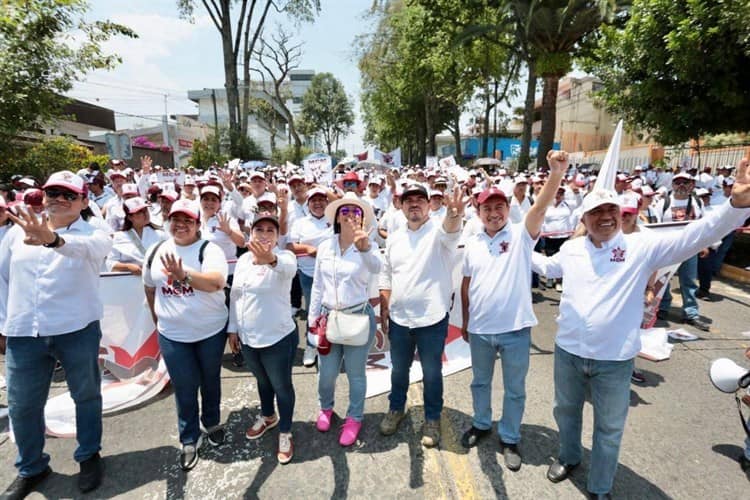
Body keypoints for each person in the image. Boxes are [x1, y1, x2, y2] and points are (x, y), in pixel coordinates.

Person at [531, 158, 750, 499]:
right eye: (596, 212)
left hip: (614, 361)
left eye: (611, 211)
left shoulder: (641, 248)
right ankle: (569, 457)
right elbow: (545, 266)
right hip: (568, 354)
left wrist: (737, 205)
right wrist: (516, 248)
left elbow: (698, 235)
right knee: (566, 411)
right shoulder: (572, 249)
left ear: (621, 215)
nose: (605, 217)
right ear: (584, 219)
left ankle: (600, 487)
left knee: (609, 428)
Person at [0, 171, 112, 498]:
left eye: (69, 194)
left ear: (84, 201)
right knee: (22, 405)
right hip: (25, 332)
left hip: (76, 329)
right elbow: (3, 279)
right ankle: (32, 466)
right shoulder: (18, 231)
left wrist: (53, 240)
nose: (60, 199)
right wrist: (4, 324)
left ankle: (89, 454)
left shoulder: (95, 231)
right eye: (53, 193)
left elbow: (89, 249)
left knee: (86, 395)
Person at [459, 151, 567, 471]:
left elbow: (540, 207)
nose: (493, 213)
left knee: (514, 389)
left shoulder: (521, 235)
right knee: (480, 383)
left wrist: (556, 174)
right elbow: (466, 285)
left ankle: (509, 436)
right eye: (487, 208)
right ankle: (481, 424)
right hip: (479, 329)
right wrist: (465, 322)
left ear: (508, 209)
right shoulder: (473, 241)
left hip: (516, 330)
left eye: (498, 207)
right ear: (478, 212)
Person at [142, 199, 229, 471]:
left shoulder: (209, 249)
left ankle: (212, 421)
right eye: (176, 220)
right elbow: (149, 288)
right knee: (185, 387)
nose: (181, 225)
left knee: (210, 380)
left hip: (210, 332)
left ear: (197, 224)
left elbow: (216, 283)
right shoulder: (155, 250)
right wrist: (159, 323)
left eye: (187, 221)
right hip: (173, 335)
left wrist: (184, 275)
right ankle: (189, 437)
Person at [378, 184, 464, 447]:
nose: (414, 204)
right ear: (401, 206)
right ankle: (396, 409)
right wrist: (385, 306)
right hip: (400, 320)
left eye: (419, 199)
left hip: (432, 320)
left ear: (428, 205)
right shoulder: (394, 237)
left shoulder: (439, 231)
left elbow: (452, 230)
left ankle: (432, 418)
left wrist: (454, 213)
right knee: (399, 371)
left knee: (432, 373)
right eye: (408, 200)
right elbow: (386, 274)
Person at [308, 192, 382, 446]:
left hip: (358, 318)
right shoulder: (326, 245)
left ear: (362, 219)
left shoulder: (366, 244)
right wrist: (312, 318)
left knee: (355, 374)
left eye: (356, 212)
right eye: (345, 211)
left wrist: (366, 249)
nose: (350, 216)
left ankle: (354, 417)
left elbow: (377, 268)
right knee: (326, 373)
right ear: (337, 217)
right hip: (329, 318)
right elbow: (317, 285)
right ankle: (325, 408)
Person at [228, 214, 298, 464]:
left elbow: (287, 268)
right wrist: (233, 328)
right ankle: (269, 417)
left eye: (271, 230)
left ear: (278, 237)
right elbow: (236, 295)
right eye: (259, 229)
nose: (265, 234)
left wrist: (271, 259)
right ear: (251, 233)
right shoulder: (245, 259)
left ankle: (286, 432)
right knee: (262, 382)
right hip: (248, 338)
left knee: (281, 386)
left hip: (277, 338)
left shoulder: (285, 257)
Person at [656, 172, 711, 331]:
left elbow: (703, 226)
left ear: (691, 184)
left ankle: (691, 314)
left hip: (689, 249)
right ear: (672, 185)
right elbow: (655, 226)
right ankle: (663, 308)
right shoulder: (664, 203)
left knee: (689, 282)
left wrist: (704, 245)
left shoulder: (697, 202)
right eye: (677, 182)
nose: (681, 185)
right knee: (664, 280)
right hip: (668, 249)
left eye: (684, 182)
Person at [286, 187, 332, 367]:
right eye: (314, 200)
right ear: (308, 204)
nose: (318, 203)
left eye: (322, 199)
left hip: (332, 274)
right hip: (308, 274)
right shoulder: (300, 223)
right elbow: (290, 246)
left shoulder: (334, 220)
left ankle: (331, 345)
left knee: (332, 311)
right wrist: (306, 249)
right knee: (314, 312)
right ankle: (311, 346)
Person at [106, 197, 166, 275]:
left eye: (145, 210)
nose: (145, 214)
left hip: (156, 278)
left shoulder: (160, 234)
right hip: (130, 281)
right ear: (129, 217)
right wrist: (128, 267)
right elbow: (110, 263)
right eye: (139, 212)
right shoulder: (118, 237)